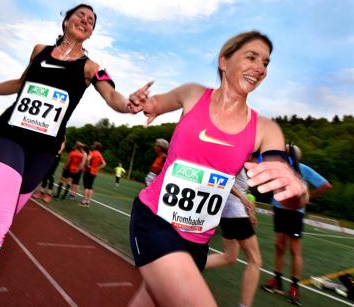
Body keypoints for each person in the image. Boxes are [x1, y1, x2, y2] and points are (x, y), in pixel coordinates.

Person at [0, 4, 140, 307]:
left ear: (92, 32)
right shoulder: (39, 51)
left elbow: (111, 95)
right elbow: (20, 84)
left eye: (91, 20)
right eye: (81, 15)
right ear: (66, 20)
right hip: (10, 138)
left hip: (42, 154)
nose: (85, 20)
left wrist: (128, 104)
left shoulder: (91, 68)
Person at [126, 31, 309, 307]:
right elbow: (155, 103)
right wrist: (142, 103)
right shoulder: (193, 94)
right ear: (224, 61)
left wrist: (296, 190)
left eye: (266, 63)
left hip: (198, 241)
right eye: (251, 57)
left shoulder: (266, 129)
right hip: (155, 219)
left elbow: (290, 193)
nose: (260, 68)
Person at [262, 144, 332, 306]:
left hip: (295, 213)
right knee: (279, 246)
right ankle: (277, 281)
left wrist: (307, 198)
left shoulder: (304, 169)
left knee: (294, 250)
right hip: (279, 210)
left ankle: (294, 287)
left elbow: (325, 185)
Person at [205, 168, 260, 307]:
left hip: (228, 213)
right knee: (255, 261)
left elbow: (238, 186)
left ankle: (191, 265)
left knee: (229, 257)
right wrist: (241, 198)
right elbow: (224, 180)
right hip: (236, 213)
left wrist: (249, 210)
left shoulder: (242, 161)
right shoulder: (239, 157)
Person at [32, 137, 66, 202]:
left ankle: (48, 194)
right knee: (45, 173)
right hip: (49, 155)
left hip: (55, 156)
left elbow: (63, 144)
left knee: (51, 175)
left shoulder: (62, 133)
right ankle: (41, 192)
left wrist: (58, 153)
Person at [78, 141, 106, 207]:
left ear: (95, 147)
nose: (92, 145)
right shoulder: (99, 154)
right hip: (94, 172)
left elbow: (88, 159)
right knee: (90, 187)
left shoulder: (92, 153)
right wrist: (97, 168)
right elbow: (104, 163)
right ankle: (88, 202)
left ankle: (83, 201)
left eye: (94, 145)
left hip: (88, 171)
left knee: (86, 187)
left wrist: (87, 165)